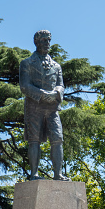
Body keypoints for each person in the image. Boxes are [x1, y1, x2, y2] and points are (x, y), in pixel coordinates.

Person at [19, 30, 70, 181]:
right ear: (36, 42)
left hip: (53, 108)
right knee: (34, 139)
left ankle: (58, 174)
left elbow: (61, 85)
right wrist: (42, 94)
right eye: (43, 40)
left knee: (57, 138)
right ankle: (34, 174)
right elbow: (24, 86)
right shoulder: (27, 63)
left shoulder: (56, 66)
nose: (47, 43)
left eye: (48, 40)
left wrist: (56, 93)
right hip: (34, 106)